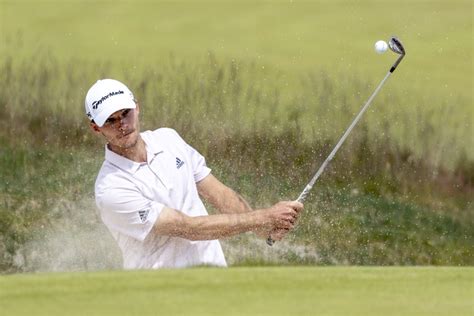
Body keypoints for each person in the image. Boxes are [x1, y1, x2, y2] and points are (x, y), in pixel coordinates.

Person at [85, 78, 303, 269]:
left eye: (125, 113)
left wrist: (263, 229)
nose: (122, 125)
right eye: (111, 120)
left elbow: (219, 194)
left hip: (214, 274)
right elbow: (187, 227)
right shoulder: (111, 187)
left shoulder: (169, 139)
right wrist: (262, 217)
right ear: (96, 128)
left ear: (137, 107)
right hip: (160, 291)